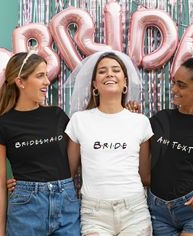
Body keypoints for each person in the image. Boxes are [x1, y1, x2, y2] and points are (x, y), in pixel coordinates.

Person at [127, 52, 193, 236]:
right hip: (157, 212)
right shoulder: (160, 119)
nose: (173, 89)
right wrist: (135, 121)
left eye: (181, 85)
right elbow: (142, 168)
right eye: (174, 82)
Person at [65, 50, 153, 235]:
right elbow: (67, 173)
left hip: (134, 210)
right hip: (94, 213)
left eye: (116, 70)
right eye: (102, 71)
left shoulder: (141, 122)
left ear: (125, 83)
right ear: (94, 85)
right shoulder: (79, 120)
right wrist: (29, 180)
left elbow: (145, 176)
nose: (110, 74)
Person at [0, 52, 80, 236]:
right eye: (40, 76)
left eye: (46, 75)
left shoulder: (57, 116)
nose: (47, 82)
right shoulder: (1, 125)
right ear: (20, 82)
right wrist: (1, 232)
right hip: (26, 210)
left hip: (66, 205)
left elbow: (76, 156)